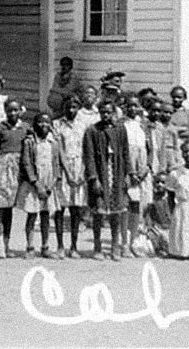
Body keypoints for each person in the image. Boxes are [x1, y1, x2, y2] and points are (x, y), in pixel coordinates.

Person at [84, 100, 131, 260]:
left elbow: (125, 153)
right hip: (101, 171)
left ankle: (114, 246)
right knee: (99, 211)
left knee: (116, 213)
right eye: (103, 112)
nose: (106, 115)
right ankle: (97, 246)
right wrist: (93, 178)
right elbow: (89, 156)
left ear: (113, 113)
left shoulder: (120, 129)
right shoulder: (92, 130)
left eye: (109, 112)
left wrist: (127, 174)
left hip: (116, 171)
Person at [0, 98, 29, 258]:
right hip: (2, 169)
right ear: (5, 111)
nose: (12, 113)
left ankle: (7, 243)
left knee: (9, 210)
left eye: (15, 110)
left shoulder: (24, 128)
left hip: (17, 171)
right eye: (9, 110)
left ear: (20, 111)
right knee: (0, 209)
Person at [18, 113, 61, 259]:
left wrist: (53, 182)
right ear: (35, 124)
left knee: (46, 215)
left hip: (49, 183)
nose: (43, 125)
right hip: (34, 184)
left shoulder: (53, 142)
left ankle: (45, 247)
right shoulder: (29, 142)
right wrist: (36, 183)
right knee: (32, 214)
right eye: (40, 122)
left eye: (47, 122)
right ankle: (30, 247)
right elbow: (26, 163)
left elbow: (56, 162)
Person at [54, 94, 89, 259]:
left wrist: (82, 171)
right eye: (68, 107)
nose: (71, 110)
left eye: (74, 107)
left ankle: (74, 246)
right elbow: (59, 149)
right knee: (61, 208)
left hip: (79, 168)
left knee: (76, 210)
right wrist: (67, 172)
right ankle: (60, 245)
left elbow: (86, 150)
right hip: (63, 169)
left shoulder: (84, 126)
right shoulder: (57, 125)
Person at [122, 95, 151, 256]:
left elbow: (150, 149)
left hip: (142, 169)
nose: (132, 109)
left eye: (135, 106)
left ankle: (134, 240)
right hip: (128, 168)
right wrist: (130, 172)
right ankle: (124, 242)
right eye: (129, 106)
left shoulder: (144, 125)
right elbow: (121, 150)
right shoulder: (121, 125)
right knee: (126, 204)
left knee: (138, 206)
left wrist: (144, 170)